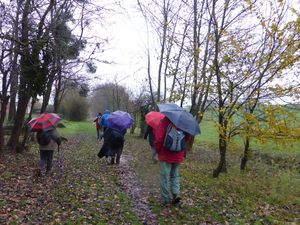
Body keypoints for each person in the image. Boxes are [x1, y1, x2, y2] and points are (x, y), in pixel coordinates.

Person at [153, 117, 191, 206]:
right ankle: (176, 194)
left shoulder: (164, 121)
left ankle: (166, 200)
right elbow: (187, 137)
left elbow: (159, 139)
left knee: (164, 177)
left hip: (165, 154)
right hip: (178, 154)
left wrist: (157, 151)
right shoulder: (183, 122)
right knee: (175, 176)